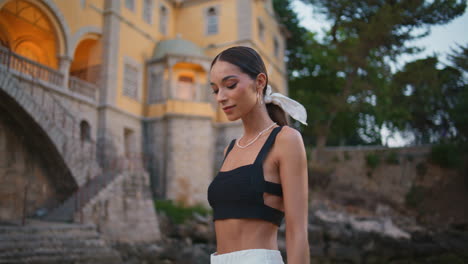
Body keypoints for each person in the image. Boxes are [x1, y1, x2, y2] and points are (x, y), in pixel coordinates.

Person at [207, 46, 310, 264]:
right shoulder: (231, 149)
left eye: (230, 85)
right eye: (215, 90)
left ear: (260, 82)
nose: (221, 97)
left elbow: (297, 231)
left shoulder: (286, 140)